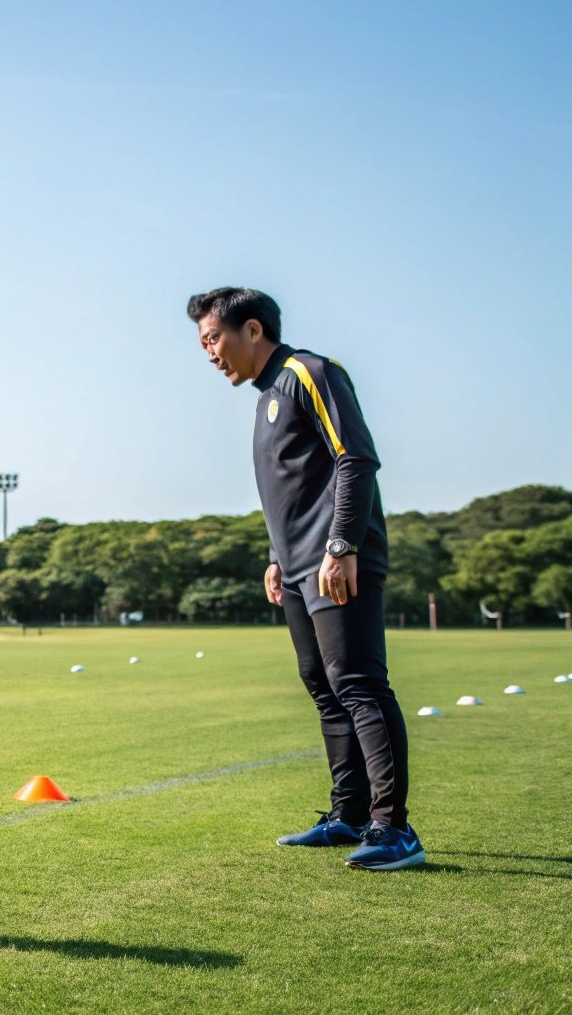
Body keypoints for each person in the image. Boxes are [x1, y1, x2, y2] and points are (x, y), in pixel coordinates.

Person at [191, 287, 425, 871]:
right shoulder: (265, 395)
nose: (210, 353)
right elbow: (291, 487)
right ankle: (349, 815)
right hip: (295, 566)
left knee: (358, 683)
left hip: (337, 559)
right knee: (323, 686)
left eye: (213, 338)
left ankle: (394, 829)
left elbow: (355, 458)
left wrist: (341, 544)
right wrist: (276, 555)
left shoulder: (308, 372)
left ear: (252, 329)